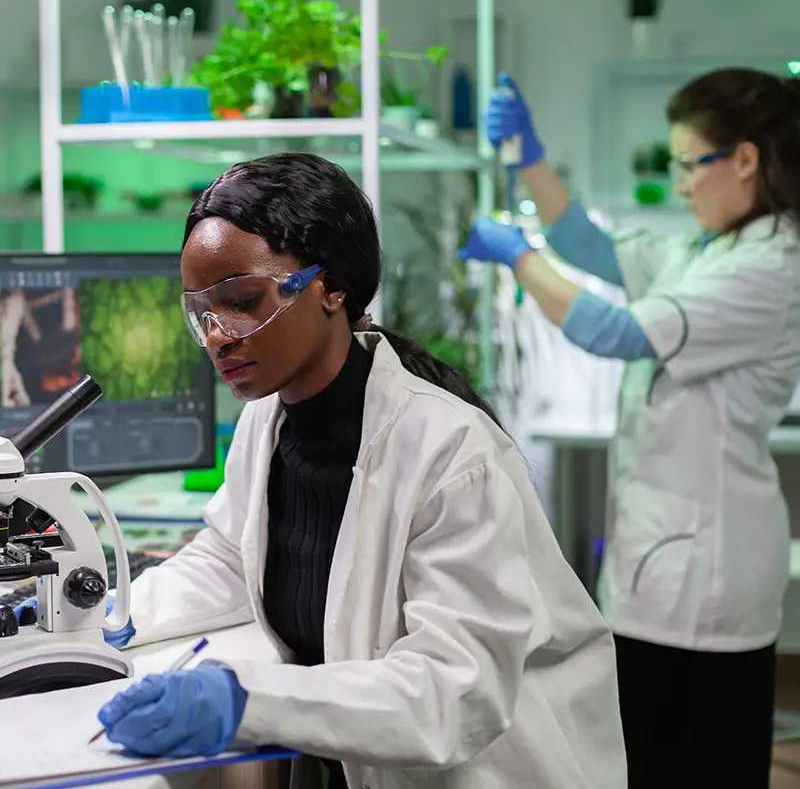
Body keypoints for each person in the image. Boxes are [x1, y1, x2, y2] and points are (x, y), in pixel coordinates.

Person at [24, 154, 626, 788]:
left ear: (331, 286)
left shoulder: (449, 451)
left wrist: (246, 700)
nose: (217, 336)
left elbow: (453, 692)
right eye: (200, 312)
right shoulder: (269, 420)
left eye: (244, 301)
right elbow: (231, 558)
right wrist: (83, 619)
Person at [459, 68, 800, 789]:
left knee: (694, 765)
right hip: (663, 567)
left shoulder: (770, 264)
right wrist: (529, 156)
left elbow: (614, 330)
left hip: (707, 578)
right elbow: (588, 243)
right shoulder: (708, 250)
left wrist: (517, 257)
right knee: (642, 756)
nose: (679, 182)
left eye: (688, 163)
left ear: (744, 159)